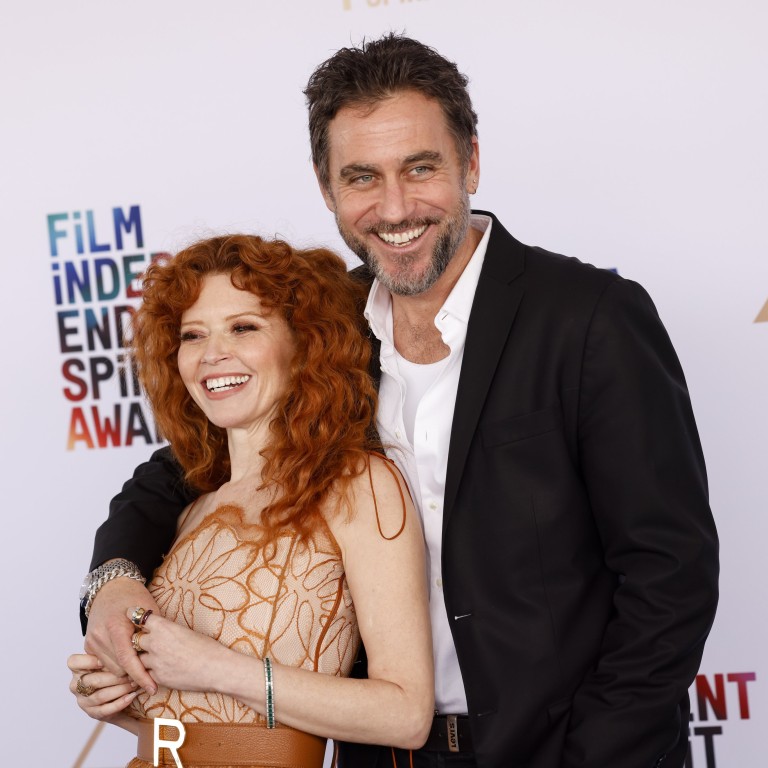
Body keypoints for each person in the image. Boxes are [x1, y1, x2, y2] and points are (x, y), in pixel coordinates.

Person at [78, 34, 719, 768]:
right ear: (327, 190)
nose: (394, 207)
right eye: (361, 178)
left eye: (420, 168)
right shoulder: (326, 328)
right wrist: (112, 584)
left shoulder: (589, 318)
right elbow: (176, 473)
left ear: (471, 161)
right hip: (382, 754)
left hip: (567, 750)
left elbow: (670, 572)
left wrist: (600, 754)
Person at [69, 235, 434, 768]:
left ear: (304, 344)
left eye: (244, 327)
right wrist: (120, 698)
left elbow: (406, 713)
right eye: (193, 335)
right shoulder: (194, 507)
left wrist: (211, 666)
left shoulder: (358, 483)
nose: (213, 353)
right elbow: (205, 714)